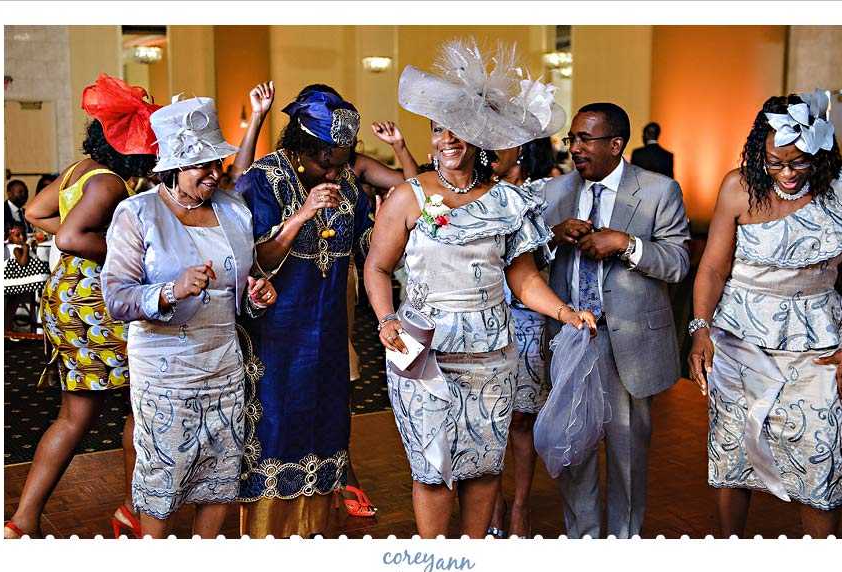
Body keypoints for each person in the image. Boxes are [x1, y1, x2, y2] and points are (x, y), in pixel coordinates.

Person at [364, 39, 596, 539]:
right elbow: (377, 268)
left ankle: (473, 565)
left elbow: (524, 277)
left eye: (459, 130)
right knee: (432, 469)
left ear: (479, 139)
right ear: (430, 140)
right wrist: (386, 319)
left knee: (485, 468)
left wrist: (565, 313)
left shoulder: (509, 201)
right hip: (422, 350)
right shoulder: (409, 196)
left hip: (491, 354)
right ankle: (435, 563)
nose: (448, 139)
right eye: (439, 129)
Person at [233, 81, 420, 518]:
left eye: (341, 162)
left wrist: (407, 230)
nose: (335, 172)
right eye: (327, 163)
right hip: (275, 334)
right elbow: (254, 260)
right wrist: (302, 215)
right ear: (304, 146)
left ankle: (318, 529)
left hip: (331, 332)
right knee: (277, 423)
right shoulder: (264, 180)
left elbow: (371, 250)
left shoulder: (350, 190)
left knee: (328, 422)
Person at [101, 95, 277, 538]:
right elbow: (116, 298)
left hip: (223, 361)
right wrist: (170, 290)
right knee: (165, 475)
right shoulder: (137, 213)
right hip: (165, 368)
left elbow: (245, 281)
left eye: (216, 162)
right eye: (201, 165)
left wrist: (258, 293)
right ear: (173, 167)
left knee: (220, 476)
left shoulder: (233, 209)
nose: (214, 173)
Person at [687, 89, 842, 538]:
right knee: (732, 453)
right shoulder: (737, 187)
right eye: (774, 162)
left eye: (799, 163)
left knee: (821, 457)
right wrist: (700, 329)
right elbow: (714, 268)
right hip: (739, 342)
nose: (785, 173)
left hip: (815, 346)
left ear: (820, 154)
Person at [7, 73, 160, 539]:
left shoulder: (80, 171)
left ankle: (23, 519)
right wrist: (125, 248)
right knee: (141, 406)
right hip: (99, 301)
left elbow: (36, 214)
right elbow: (74, 236)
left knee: (75, 414)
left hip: (67, 294)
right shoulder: (111, 184)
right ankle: (134, 509)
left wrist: (80, 239)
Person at [545, 102, 690, 539]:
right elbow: (522, 260)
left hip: (627, 341)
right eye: (572, 139)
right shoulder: (551, 193)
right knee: (574, 449)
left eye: (585, 139)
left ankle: (623, 549)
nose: (575, 148)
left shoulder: (659, 191)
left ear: (615, 144)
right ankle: (582, 543)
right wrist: (555, 238)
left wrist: (626, 243)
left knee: (627, 456)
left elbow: (679, 262)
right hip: (571, 337)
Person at [487, 137, 558, 539]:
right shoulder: (480, 193)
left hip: (528, 317)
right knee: (489, 419)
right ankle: (492, 503)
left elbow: (540, 261)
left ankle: (520, 505)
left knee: (521, 418)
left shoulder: (544, 193)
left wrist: (557, 233)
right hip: (485, 314)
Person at [4, 222, 49, 334]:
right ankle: (7, 329)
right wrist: (26, 248)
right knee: (10, 307)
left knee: (11, 307)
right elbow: (23, 263)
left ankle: (8, 329)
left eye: (23, 234)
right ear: (10, 236)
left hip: (17, 283)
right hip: (17, 281)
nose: (22, 237)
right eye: (17, 235)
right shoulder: (16, 249)